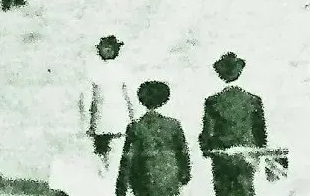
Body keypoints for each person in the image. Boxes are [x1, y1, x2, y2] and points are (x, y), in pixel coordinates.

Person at [199, 51, 268, 196]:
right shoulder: (253, 100)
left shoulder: (212, 102)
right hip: (246, 154)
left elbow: (207, 133)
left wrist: (206, 148)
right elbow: (260, 133)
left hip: (222, 156)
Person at [115, 79, 191, 196]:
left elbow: (127, 158)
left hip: (144, 178)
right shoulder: (173, 125)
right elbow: (182, 152)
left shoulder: (135, 127)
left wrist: (121, 187)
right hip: (169, 175)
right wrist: (185, 174)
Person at [80, 34, 136, 184]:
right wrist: (134, 119)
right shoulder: (123, 70)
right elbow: (131, 98)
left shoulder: (93, 71)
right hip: (120, 122)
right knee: (116, 158)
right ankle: (112, 186)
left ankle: (103, 184)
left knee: (100, 157)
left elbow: (85, 101)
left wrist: (86, 123)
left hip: (99, 123)